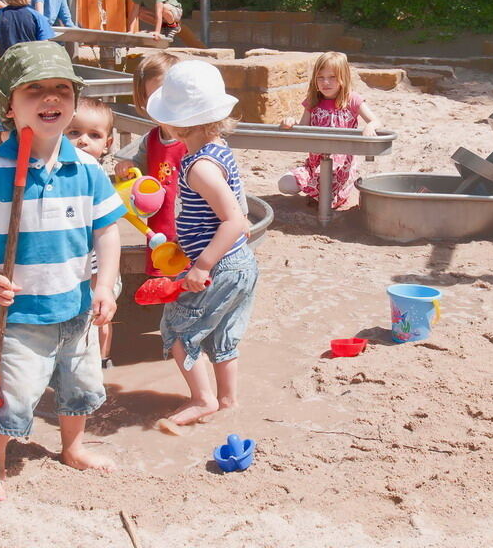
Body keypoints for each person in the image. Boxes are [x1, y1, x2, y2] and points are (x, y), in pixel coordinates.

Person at [0, 41, 127, 502]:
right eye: (34, 90)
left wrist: (104, 284)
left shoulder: (86, 168)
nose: (50, 98)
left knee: (80, 384)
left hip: (78, 306)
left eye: (61, 89)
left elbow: (107, 231)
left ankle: (73, 446)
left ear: (75, 101)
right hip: (20, 313)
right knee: (16, 394)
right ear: (9, 104)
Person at [145, 61, 258, 427]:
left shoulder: (199, 167)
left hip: (220, 266)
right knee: (224, 333)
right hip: (240, 263)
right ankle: (227, 401)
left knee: (177, 329)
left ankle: (202, 399)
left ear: (176, 122)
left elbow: (234, 220)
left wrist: (203, 264)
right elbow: (237, 211)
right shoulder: (218, 148)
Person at [277, 51, 381, 207]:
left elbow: (376, 120)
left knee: (328, 198)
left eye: (332, 77)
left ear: (343, 78)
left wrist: (370, 126)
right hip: (314, 165)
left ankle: (331, 193)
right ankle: (316, 191)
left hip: (339, 168)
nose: (326, 82)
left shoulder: (352, 100)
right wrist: (291, 123)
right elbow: (302, 129)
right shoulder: (313, 101)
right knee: (285, 184)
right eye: (321, 77)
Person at [114, 53, 187, 274]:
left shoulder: (195, 138)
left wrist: (239, 214)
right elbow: (140, 169)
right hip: (160, 232)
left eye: (169, 96)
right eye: (154, 98)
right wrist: (127, 167)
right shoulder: (152, 139)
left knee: (191, 284)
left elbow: (225, 175)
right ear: (143, 102)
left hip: (191, 231)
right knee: (164, 279)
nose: (163, 104)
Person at [65, 96, 122, 368]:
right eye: (74, 132)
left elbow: (109, 225)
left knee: (100, 313)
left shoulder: (98, 176)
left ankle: (103, 358)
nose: (82, 141)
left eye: (94, 135)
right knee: (75, 313)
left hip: (96, 260)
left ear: (107, 144)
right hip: (69, 259)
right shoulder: (59, 171)